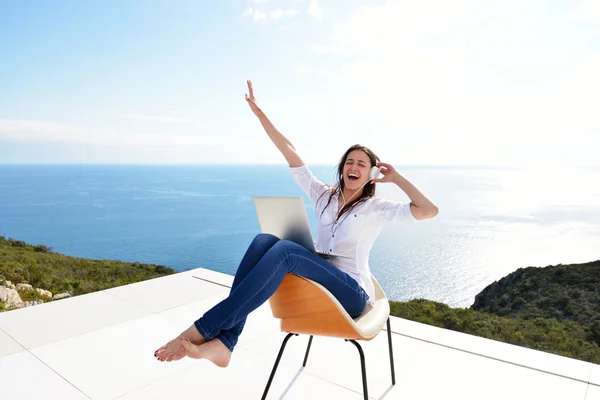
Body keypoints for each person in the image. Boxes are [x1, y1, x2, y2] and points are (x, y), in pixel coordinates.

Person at [154, 80, 438, 367]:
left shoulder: (376, 207)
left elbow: (428, 210)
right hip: (322, 280)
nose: (353, 167)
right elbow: (289, 150)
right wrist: (259, 113)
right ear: (342, 168)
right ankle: (226, 343)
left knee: (287, 252)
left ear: (372, 174)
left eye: (362, 164)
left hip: (353, 295)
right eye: (349, 162)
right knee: (264, 241)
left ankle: (203, 329)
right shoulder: (324, 196)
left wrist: (396, 178)